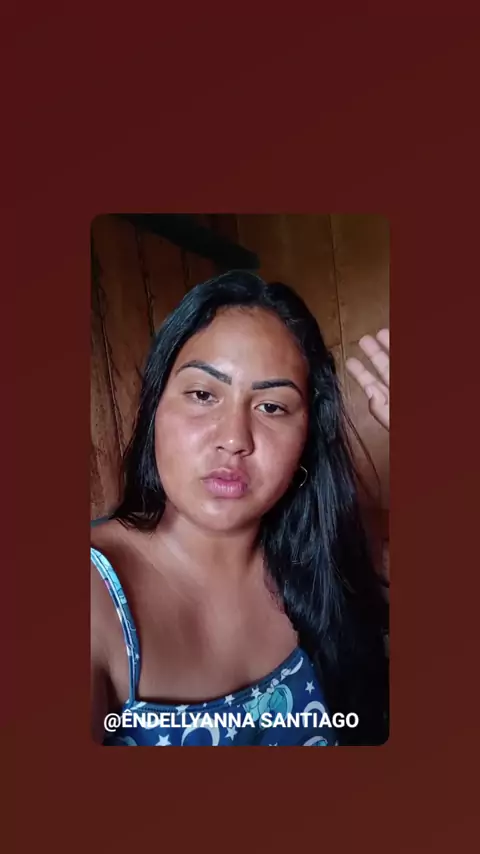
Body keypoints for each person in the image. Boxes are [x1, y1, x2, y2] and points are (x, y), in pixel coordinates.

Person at [91, 271, 390, 746]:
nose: (234, 439)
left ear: (307, 440)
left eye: (272, 407)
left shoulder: (341, 555)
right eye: (203, 395)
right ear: (154, 410)